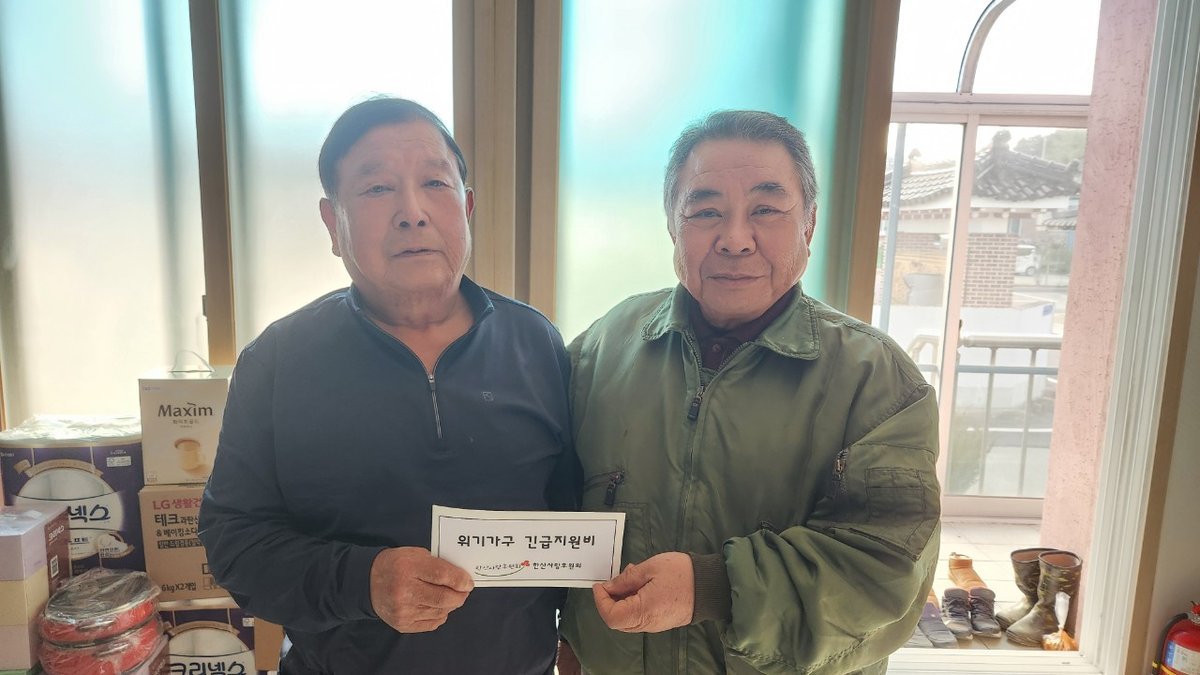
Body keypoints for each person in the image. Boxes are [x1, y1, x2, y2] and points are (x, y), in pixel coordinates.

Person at [198, 97, 576, 675]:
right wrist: (364, 582)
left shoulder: (536, 343)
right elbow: (234, 542)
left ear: (467, 207)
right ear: (333, 222)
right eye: (377, 189)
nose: (412, 212)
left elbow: (573, 514)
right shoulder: (277, 361)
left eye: (435, 183)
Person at [557, 110, 941, 674]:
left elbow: (884, 569)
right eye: (705, 211)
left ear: (809, 224)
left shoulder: (877, 380)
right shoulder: (604, 347)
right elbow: (552, 502)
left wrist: (712, 587)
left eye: (766, 210)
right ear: (673, 225)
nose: (735, 240)